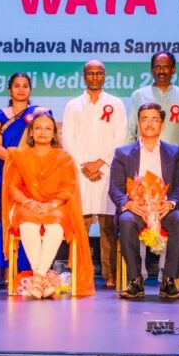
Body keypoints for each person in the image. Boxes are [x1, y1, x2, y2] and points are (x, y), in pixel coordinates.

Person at [2, 109, 95, 297]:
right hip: (27, 205)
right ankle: (42, 279)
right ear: (31, 132)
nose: (42, 132)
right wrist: (28, 202)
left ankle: (37, 279)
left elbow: (67, 188)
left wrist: (51, 205)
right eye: (38, 128)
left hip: (56, 206)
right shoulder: (20, 155)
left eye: (47, 129)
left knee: (56, 224)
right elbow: (12, 187)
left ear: (54, 134)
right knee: (27, 222)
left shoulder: (63, 157)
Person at [110, 103, 179, 300]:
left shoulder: (175, 153)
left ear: (162, 124)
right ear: (138, 123)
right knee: (126, 221)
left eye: (155, 119)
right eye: (144, 119)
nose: (149, 124)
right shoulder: (122, 153)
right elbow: (114, 187)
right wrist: (128, 204)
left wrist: (171, 203)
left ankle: (169, 281)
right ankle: (135, 280)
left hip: (164, 208)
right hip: (136, 208)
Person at [62, 60, 127, 288]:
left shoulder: (116, 104)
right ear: (84, 76)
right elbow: (67, 139)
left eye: (99, 73)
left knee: (109, 227)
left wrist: (100, 163)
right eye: (90, 73)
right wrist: (84, 166)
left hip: (107, 171)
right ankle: (80, 273)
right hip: (81, 173)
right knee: (81, 225)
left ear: (104, 76)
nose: (95, 77)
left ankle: (110, 274)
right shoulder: (73, 105)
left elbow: (121, 138)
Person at [0, 72, 35, 281]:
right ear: (9, 90)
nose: (21, 89)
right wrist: (17, 160)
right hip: (6, 173)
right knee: (7, 218)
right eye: (17, 85)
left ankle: (28, 268)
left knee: (29, 218)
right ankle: (6, 268)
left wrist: (25, 163)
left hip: (30, 174)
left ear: (30, 90)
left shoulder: (39, 114)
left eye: (25, 85)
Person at [127, 51, 179, 154]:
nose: (161, 71)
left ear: (173, 69)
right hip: (144, 158)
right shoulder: (138, 95)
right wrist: (129, 159)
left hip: (174, 159)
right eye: (157, 67)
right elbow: (131, 133)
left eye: (166, 67)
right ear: (151, 69)